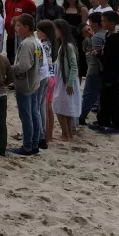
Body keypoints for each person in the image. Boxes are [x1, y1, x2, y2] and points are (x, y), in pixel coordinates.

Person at [9, 15, 43, 155]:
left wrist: (11, 69)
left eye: (18, 26)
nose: (16, 28)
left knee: (26, 115)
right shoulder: (36, 41)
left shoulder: (26, 44)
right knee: (34, 113)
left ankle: (27, 145)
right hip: (34, 81)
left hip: (25, 84)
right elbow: (40, 61)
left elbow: (24, 65)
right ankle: (35, 143)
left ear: (26, 27)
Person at [92, 11, 119, 134]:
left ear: (112, 24)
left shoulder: (116, 38)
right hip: (107, 72)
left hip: (114, 73)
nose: (102, 23)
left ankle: (117, 125)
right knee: (105, 97)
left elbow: (111, 58)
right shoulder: (108, 36)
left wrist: (99, 56)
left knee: (114, 99)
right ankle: (103, 121)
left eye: (104, 21)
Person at [51, 19, 81, 141]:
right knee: (65, 107)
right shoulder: (63, 46)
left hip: (66, 81)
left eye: (56, 29)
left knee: (59, 106)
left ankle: (65, 133)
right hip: (63, 80)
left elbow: (74, 66)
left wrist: (69, 83)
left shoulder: (67, 47)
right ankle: (68, 133)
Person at [79, 12, 106, 126]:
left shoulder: (97, 37)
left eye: (90, 23)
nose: (89, 26)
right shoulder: (102, 34)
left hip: (95, 69)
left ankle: (81, 117)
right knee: (98, 94)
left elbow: (98, 55)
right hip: (99, 69)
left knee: (89, 94)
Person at [4, 0, 37, 66]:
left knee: (20, 58)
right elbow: (7, 15)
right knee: (9, 57)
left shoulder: (29, 3)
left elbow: (32, 21)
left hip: (22, 37)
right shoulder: (8, 1)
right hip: (10, 35)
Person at [35, 20, 57, 149]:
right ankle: (44, 134)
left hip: (45, 76)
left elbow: (39, 60)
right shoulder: (50, 43)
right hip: (50, 75)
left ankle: (42, 134)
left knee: (40, 107)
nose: (36, 33)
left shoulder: (44, 45)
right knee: (43, 107)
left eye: (38, 31)